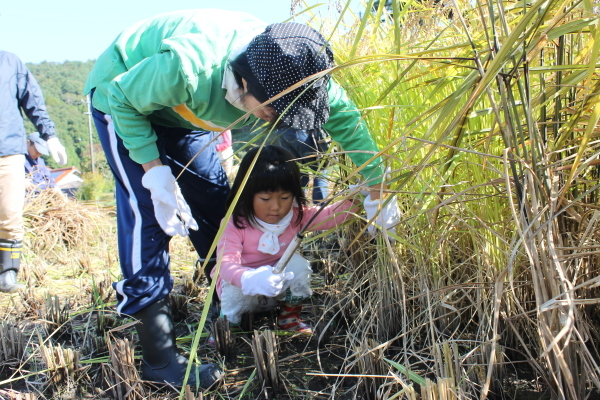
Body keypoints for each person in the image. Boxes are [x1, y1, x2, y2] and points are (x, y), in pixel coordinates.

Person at [83, 9, 400, 389]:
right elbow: (122, 98)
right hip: (124, 97)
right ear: (245, 84)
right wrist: (155, 173)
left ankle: (227, 300)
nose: (275, 121)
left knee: (218, 204)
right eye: (272, 111)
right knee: (149, 213)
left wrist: (378, 190)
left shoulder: (302, 72)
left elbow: (349, 125)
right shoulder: (189, 69)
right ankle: (158, 354)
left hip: (188, 117)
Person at [212, 145, 358, 336]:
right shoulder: (235, 223)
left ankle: (289, 316)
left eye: (285, 197)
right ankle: (228, 325)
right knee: (233, 288)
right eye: (265, 198)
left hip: (277, 287)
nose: (276, 207)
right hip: (243, 289)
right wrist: (248, 278)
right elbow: (225, 265)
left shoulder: (296, 216)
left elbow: (331, 216)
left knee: (300, 266)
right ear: (247, 194)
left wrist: (358, 197)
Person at [0, 50, 67, 293]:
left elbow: (33, 101)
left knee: (9, 213)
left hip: (7, 150)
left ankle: (7, 273)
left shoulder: (9, 62)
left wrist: (49, 135)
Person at [276, 127, 330, 203]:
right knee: (320, 171)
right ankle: (319, 210)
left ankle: (299, 207)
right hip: (302, 130)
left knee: (299, 173)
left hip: (282, 130)